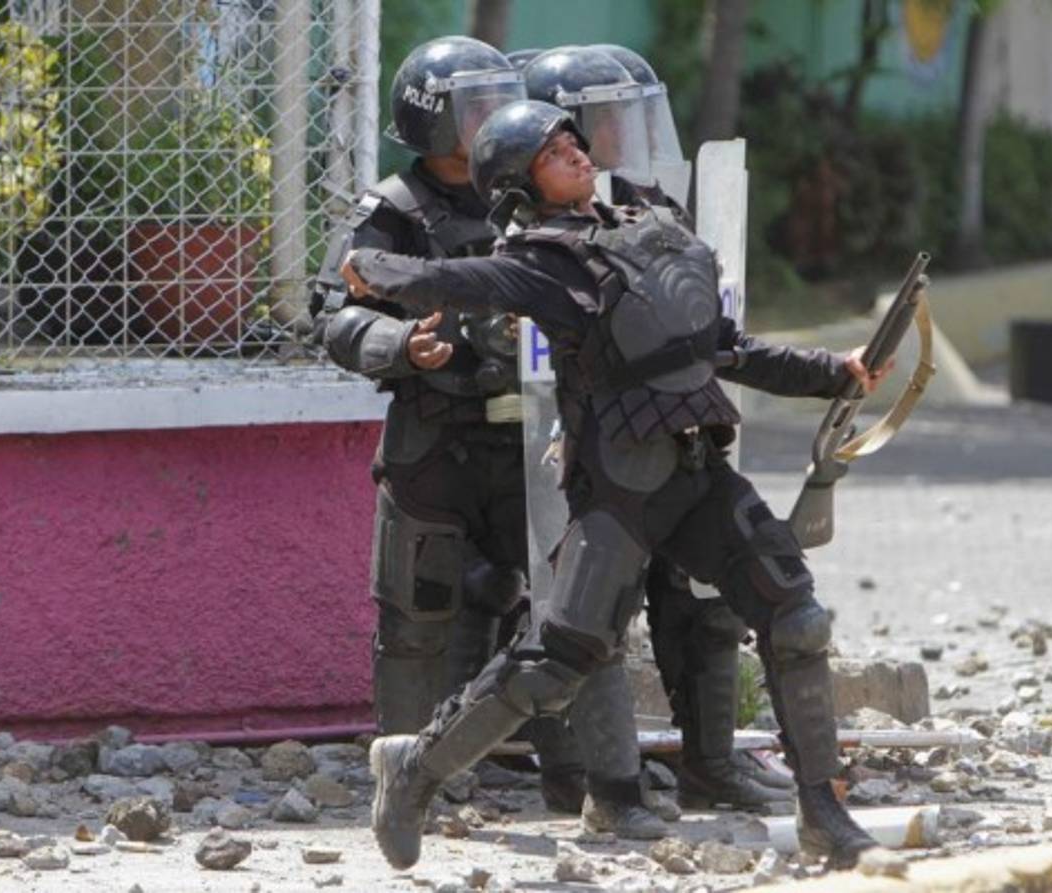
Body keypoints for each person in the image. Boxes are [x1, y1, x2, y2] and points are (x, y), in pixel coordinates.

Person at [348, 100, 889, 872]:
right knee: (554, 663)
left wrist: (833, 372)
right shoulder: (540, 261)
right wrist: (376, 269)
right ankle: (413, 769)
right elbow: (452, 280)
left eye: (571, 136)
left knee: (795, 614)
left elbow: (724, 351)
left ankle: (825, 813)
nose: (571, 147)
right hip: (620, 488)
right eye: (548, 148)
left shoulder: (651, 227)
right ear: (517, 182)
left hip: (698, 470)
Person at [314, 36, 585, 813]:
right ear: (429, 121)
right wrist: (401, 344)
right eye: (472, 109)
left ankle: (575, 771)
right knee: (417, 609)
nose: (490, 122)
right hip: (434, 436)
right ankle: (410, 777)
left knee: (562, 606)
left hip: (534, 439)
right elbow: (333, 316)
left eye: (499, 104)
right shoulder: (392, 212)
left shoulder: (537, 197)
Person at [521, 44, 788, 810]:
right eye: (600, 122)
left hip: (666, 440)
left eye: (627, 118)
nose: (617, 137)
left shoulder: (646, 209)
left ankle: (713, 762)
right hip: (563, 450)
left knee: (707, 594)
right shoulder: (522, 221)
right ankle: (589, 777)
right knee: (580, 618)